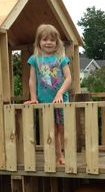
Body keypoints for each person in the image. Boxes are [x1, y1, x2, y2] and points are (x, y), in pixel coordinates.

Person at [24, 24, 72, 164]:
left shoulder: (61, 58)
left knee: (63, 128)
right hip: (45, 102)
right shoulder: (35, 59)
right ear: (39, 41)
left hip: (61, 101)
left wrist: (59, 94)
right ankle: (59, 156)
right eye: (45, 39)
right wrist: (33, 98)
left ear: (57, 42)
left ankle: (68, 154)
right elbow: (32, 80)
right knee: (52, 130)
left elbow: (68, 78)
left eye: (52, 40)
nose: (48, 42)